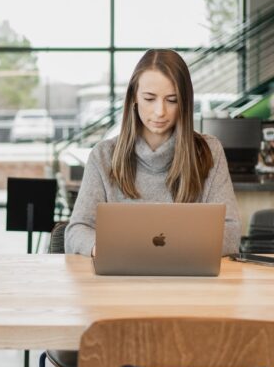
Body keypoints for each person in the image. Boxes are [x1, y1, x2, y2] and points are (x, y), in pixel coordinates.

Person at [65, 49, 241, 257]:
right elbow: (77, 230)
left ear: (184, 102)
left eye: (172, 100)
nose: (160, 111)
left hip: (187, 276)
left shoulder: (209, 152)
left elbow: (230, 233)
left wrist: (167, 253)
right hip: (120, 276)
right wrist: (103, 249)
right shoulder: (103, 156)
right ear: (134, 97)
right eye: (149, 98)